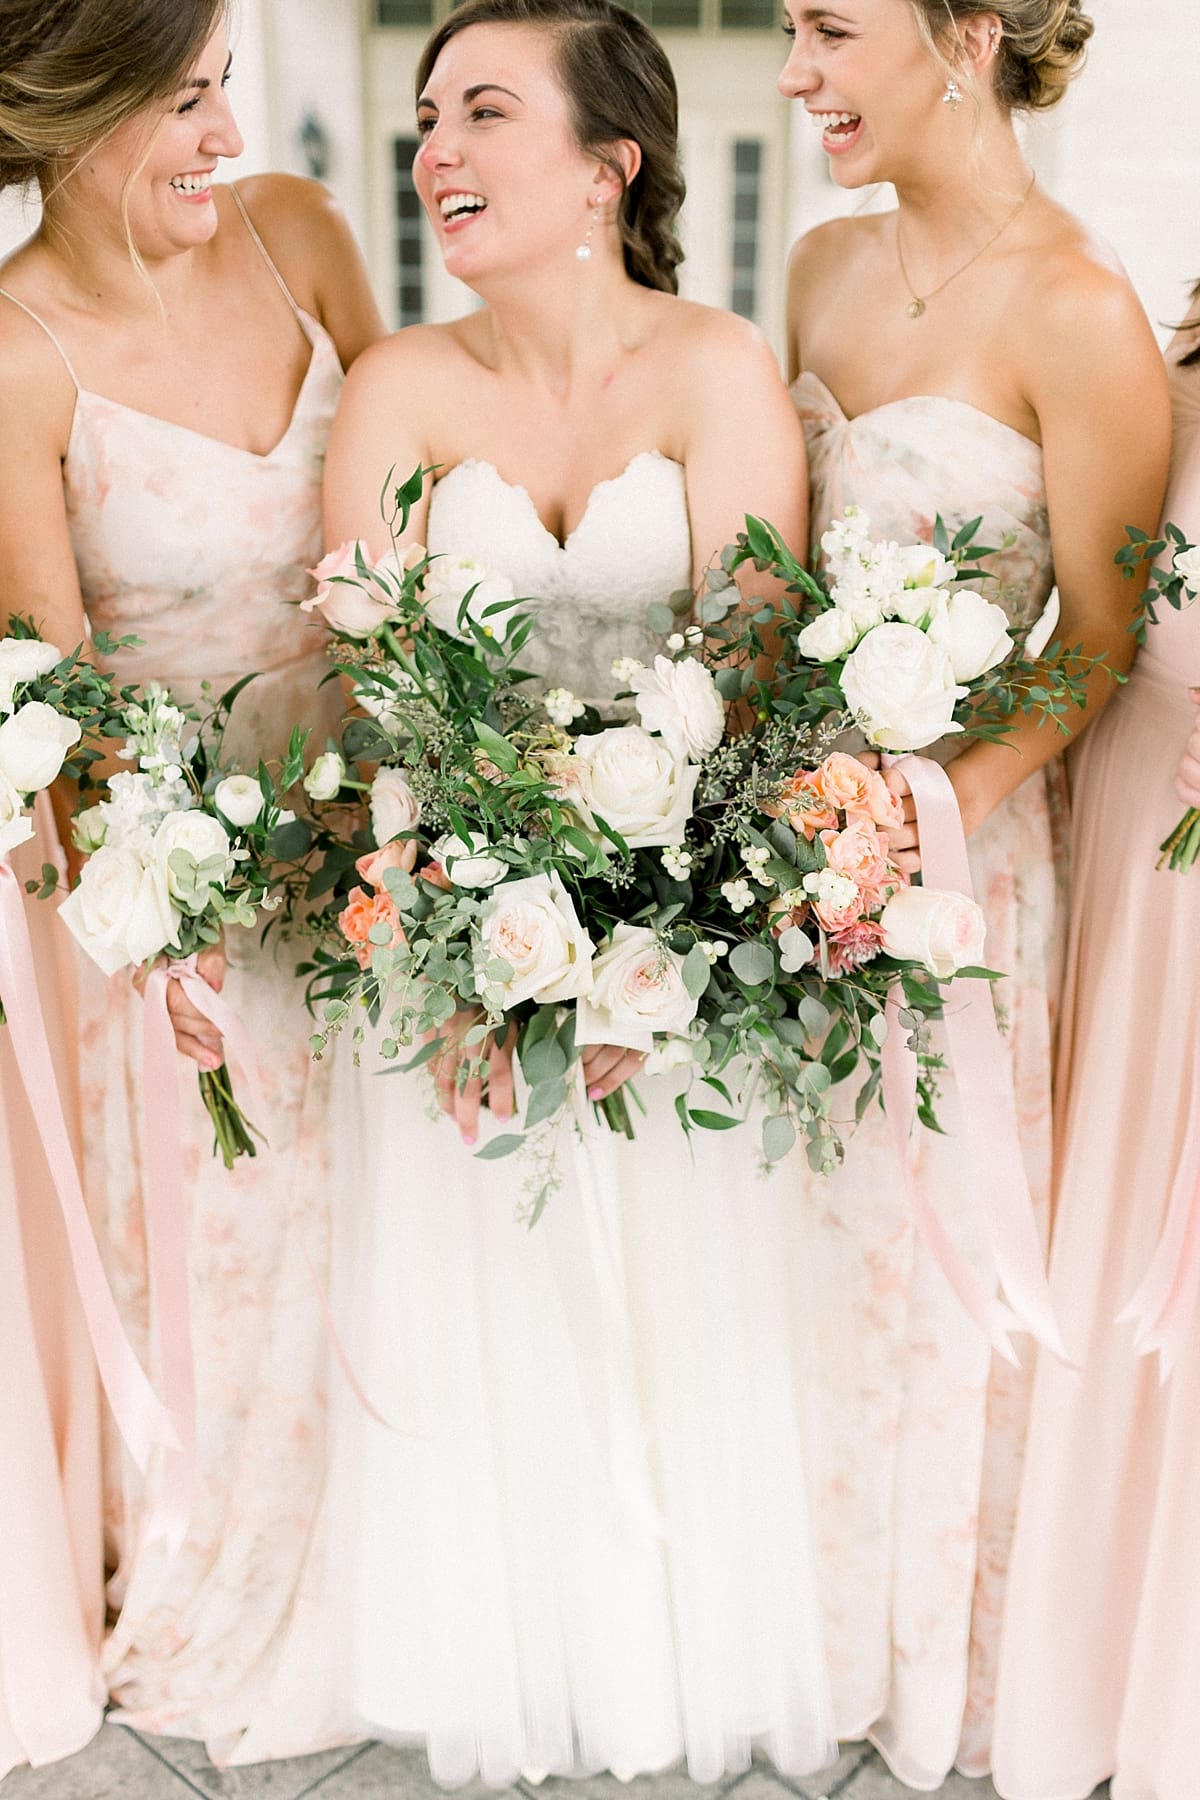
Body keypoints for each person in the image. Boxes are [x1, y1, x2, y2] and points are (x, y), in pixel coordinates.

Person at [322, 0, 839, 1783]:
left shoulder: (717, 366)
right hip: (464, 936)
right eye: (424, 122)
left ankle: (670, 1645)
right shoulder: (396, 384)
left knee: (672, 1320)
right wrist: (486, 941)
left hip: (679, 947)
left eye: (482, 114)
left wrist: (650, 956)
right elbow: (375, 678)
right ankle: (501, 1651)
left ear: (611, 164)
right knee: (490, 1316)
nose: (434, 154)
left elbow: (759, 683)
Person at [778, 0, 1170, 1785]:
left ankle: (934, 1646)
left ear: (969, 32)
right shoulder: (818, 269)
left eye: (827, 28)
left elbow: (1094, 645)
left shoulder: (1085, 313)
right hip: (789, 839)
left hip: (962, 859)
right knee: (799, 1233)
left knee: (934, 1260)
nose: (799, 73)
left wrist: (922, 809)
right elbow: (771, 576)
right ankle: (805, 1631)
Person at [0, 0, 384, 1765]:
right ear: (66, 111)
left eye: (225, 86)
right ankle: (213, 1567)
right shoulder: (14, 351)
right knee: (217, 1259)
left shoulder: (302, 241)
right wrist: (159, 889)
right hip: (171, 895)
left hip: (377, 858)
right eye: (179, 101)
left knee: (380, 1242)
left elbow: (420, 510)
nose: (221, 134)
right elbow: (51, 674)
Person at [988, 304, 1200, 1800]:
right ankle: (1081, 1651)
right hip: (1134, 824)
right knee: (1108, 1218)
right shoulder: (1168, 360)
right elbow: (1097, 615)